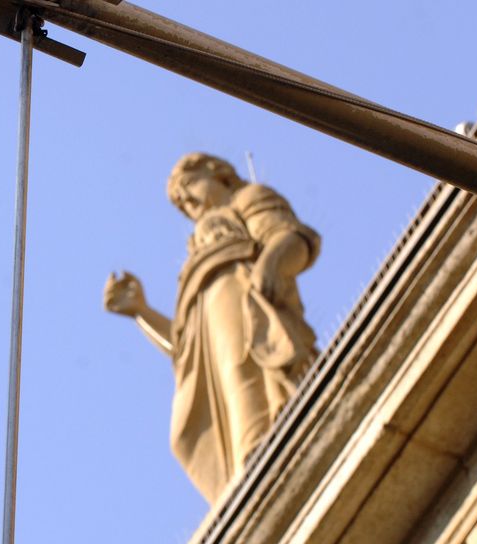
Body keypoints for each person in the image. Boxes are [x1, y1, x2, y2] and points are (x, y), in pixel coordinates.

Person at [103, 153, 320, 503]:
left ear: (216, 172)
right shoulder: (192, 258)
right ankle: (249, 473)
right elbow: (185, 349)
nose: (187, 202)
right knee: (211, 403)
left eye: (188, 187)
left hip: (246, 308)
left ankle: (263, 454)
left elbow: (291, 237)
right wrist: (141, 312)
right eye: (180, 203)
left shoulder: (246, 199)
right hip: (213, 329)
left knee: (242, 369)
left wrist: (270, 266)